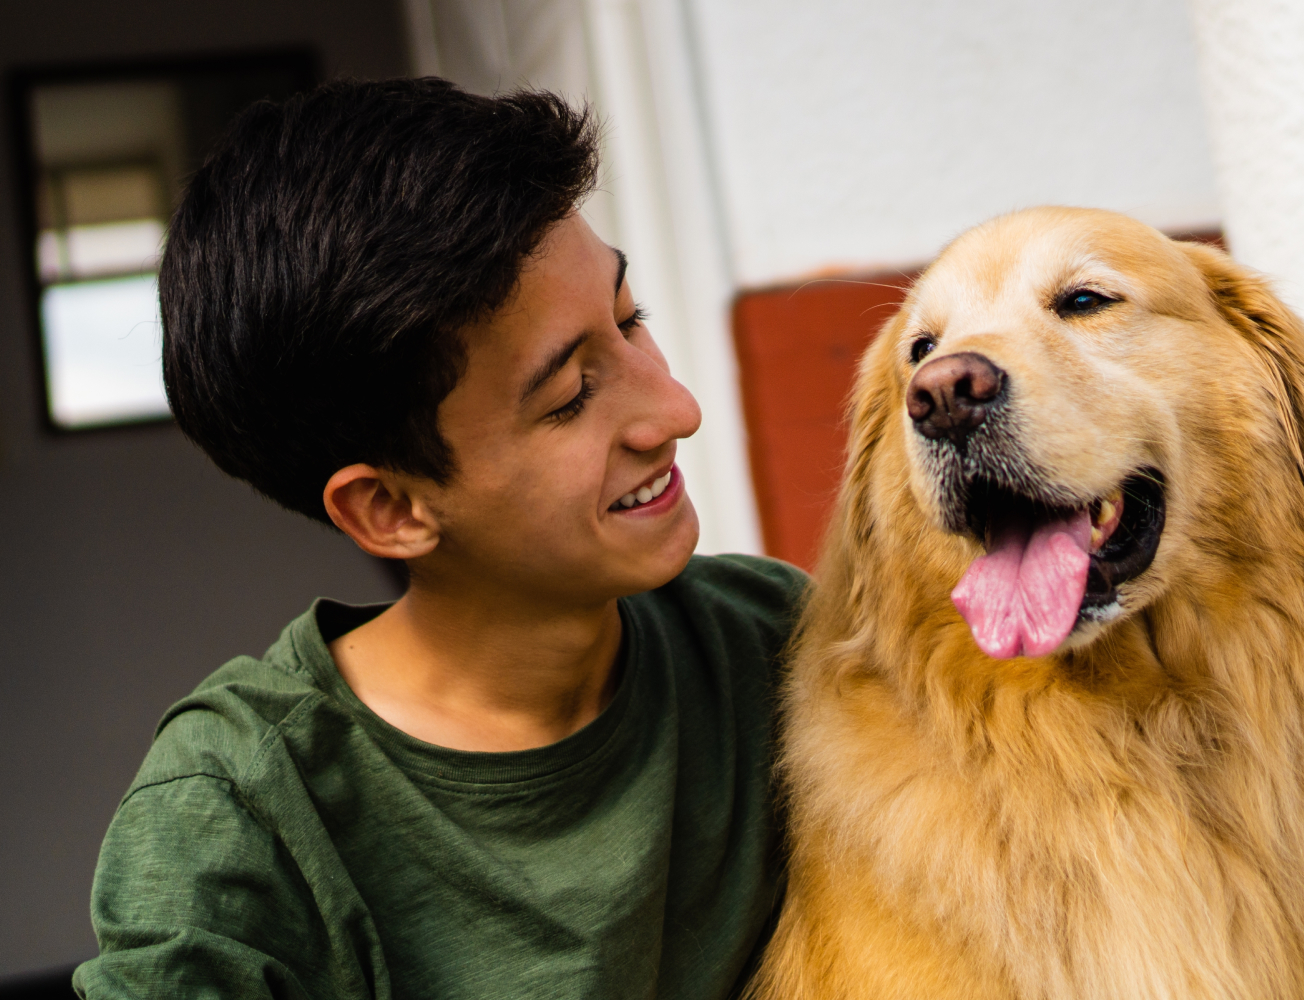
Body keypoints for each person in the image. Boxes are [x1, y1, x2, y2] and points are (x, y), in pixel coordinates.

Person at [72, 78, 807, 1000]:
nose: (676, 411)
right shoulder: (237, 818)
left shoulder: (776, 646)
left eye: (630, 321)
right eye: (571, 396)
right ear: (391, 509)